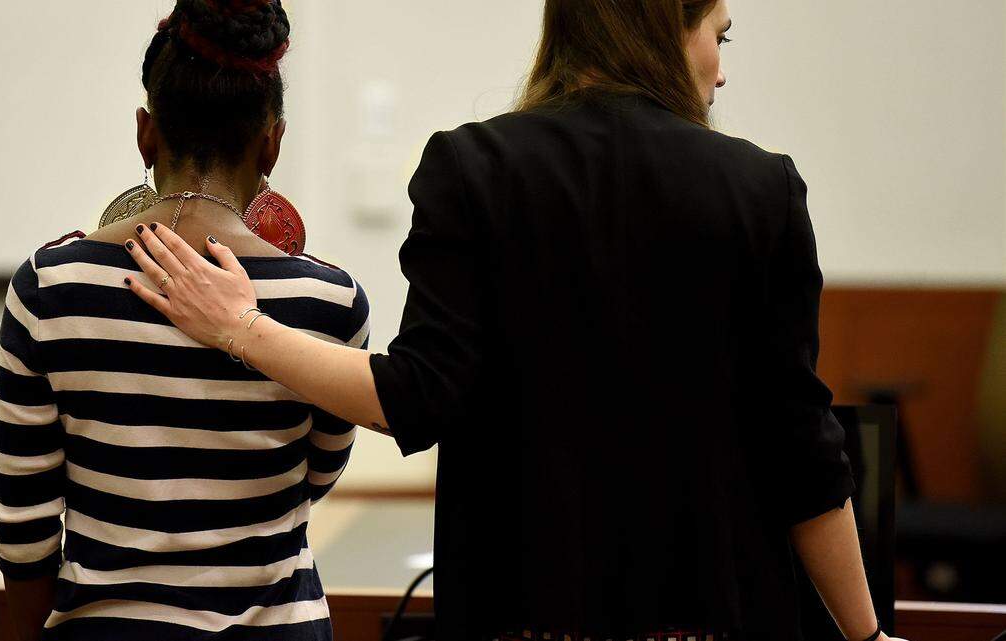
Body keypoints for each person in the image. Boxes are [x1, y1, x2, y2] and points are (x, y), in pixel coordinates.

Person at [122, 1, 909, 640]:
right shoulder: (763, 190)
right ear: (666, 29)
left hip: (520, 617)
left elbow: (416, 397)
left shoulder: (473, 167)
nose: (722, 68)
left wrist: (241, 327)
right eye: (718, 35)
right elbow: (801, 449)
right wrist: (867, 633)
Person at [0, 1, 370, 639]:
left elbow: (25, 527)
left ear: (146, 132)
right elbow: (316, 477)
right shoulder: (329, 302)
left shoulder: (49, 288)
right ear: (271, 142)